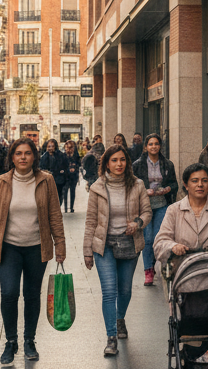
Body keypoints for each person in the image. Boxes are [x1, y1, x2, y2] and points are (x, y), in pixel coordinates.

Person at [0, 138, 66, 364]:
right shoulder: (1, 183)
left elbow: (55, 215)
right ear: (12, 157)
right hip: (9, 248)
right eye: (19, 153)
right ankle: (10, 341)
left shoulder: (46, 181)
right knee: (8, 294)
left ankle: (29, 340)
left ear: (34, 156)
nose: (23, 157)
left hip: (37, 248)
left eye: (27, 153)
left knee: (31, 295)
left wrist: (60, 246)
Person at [84, 144, 153, 356]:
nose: (119, 164)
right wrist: (88, 250)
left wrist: (138, 223)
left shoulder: (137, 185)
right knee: (109, 291)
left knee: (125, 290)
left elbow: (147, 211)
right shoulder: (97, 187)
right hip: (104, 245)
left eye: (122, 159)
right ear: (106, 163)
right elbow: (90, 221)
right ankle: (111, 337)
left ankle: (120, 317)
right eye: (114, 160)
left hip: (130, 244)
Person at [133, 133, 179, 286]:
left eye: (156, 144)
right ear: (146, 147)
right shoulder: (138, 165)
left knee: (161, 237)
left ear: (160, 146)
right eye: (151, 144)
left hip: (162, 205)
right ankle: (148, 270)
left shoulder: (167, 164)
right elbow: (132, 187)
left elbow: (175, 185)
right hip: (144, 207)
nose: (154, 147)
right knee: (147, 239)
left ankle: (165, 266)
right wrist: (144, 191)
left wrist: (167, 189)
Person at [39, 138, 68, 207]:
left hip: (58, 180)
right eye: (49, 146)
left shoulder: (60, 156)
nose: (50, 148)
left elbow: (64, 166)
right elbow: (41, 167)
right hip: (47, 180)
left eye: (52, 146)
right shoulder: (44, 157)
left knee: (58, 195)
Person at [62, 140, 80, 213]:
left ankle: (71, 207)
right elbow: (62, 165)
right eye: (67, 147)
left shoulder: (76, 155)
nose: (69, 149)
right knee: (65, 191)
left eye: (71, 147)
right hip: (66, 176)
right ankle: (65, 207)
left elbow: (79, 164)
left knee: (73, 191)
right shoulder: (63, 155)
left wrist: (75, 167)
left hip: (74, 176)